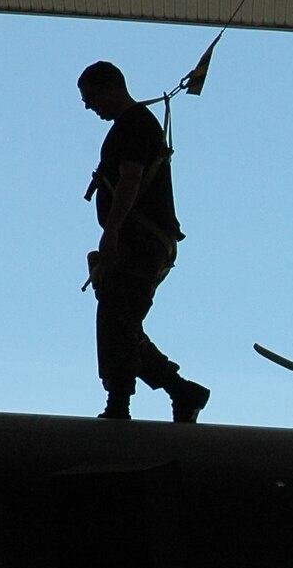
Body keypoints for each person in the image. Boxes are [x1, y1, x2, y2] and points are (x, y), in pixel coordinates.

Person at [77, 61, 210, 422]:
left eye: (90, 96)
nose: (89, 106)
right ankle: (180, 391)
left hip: (138, 241)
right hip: (144, 241)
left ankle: (120, 405)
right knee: (121, 322)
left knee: (115, 318)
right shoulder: (134, 125)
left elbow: (131, 179)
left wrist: (112, 231)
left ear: (110, 87)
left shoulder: (133, 125)